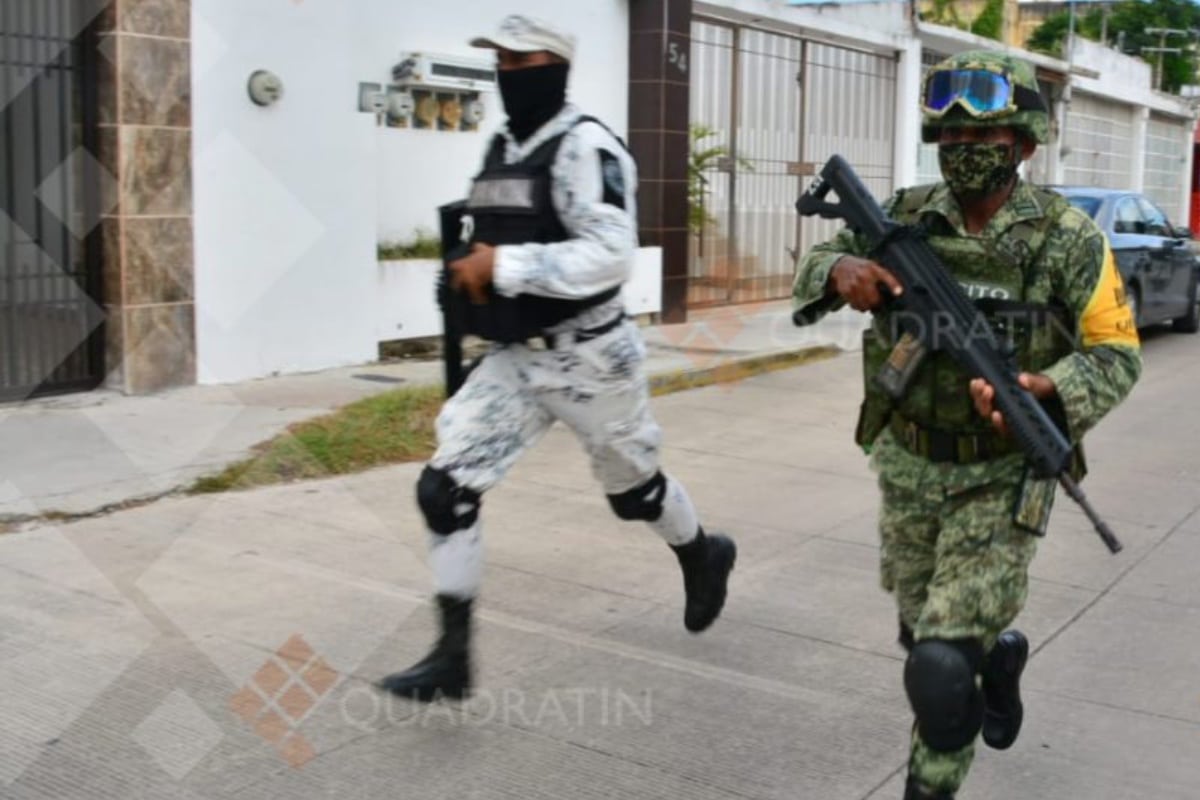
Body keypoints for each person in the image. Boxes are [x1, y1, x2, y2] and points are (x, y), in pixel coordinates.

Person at [791, 51, 1141, 799]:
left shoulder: (1068, 239)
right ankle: (999, 658)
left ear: (1023, 146)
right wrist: (836, 271)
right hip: (910, 466)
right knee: (921, 639)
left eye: (981, 143)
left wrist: (1049, 389)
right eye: (948, 143)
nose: (962, 156)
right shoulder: (906, 217)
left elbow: (1117, 354)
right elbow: (823, 252)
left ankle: (933, 774)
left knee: (942, 674)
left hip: (1004, 473)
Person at [377, 15, 737, 701]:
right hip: (518, 359)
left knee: (634, 495)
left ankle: (702, 553)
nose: (509, 73)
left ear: (557, 65)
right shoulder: (505, 146)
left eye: (523, 60)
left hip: (593, 357)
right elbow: (489, 233)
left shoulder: (587, 147)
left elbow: (609, 255)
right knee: (443, 488)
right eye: (501, 61)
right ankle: (453, 659)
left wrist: (503, 264)